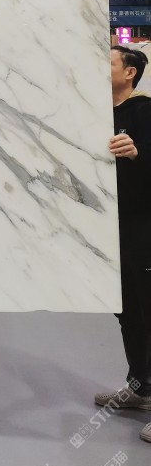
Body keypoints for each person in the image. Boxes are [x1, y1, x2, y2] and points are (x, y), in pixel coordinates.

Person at [95, 45, 151, 443]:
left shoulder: (144, 111)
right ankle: (141, 387)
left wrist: (137, 153)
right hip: (113, 229)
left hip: (145, 227)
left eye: (109, 61)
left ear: (129, 72)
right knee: (127, 310)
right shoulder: (93, 111)